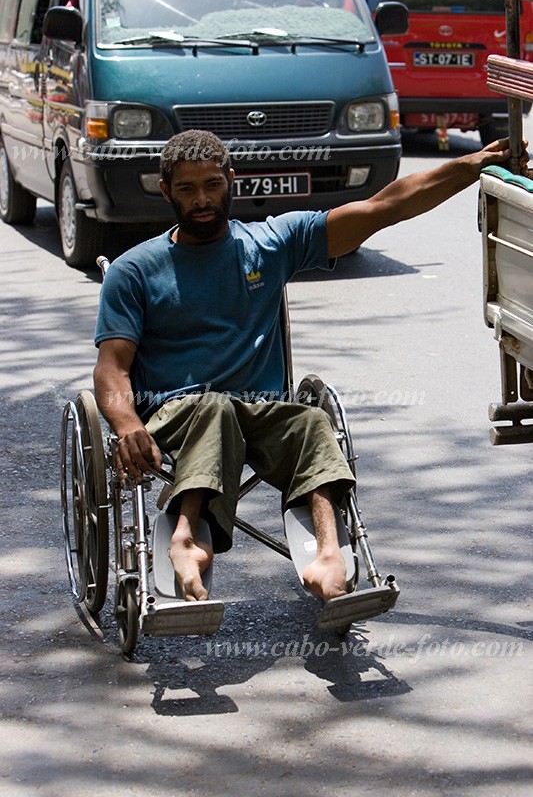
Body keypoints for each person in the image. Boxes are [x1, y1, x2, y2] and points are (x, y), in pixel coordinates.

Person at [93, 129, 528, 610]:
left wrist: (468, 168)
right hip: (176, 414)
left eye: (213, 185)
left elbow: (385, 207)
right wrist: (126, 421)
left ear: (231, 181)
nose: (202, 200)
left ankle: (326, 554)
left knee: (313, 420)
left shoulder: (269, 244)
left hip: (260, 412)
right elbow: (111, 368)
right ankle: (186, 539)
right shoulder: (133, 271)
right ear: (165, 190)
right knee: (214, 409)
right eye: (187, 189)